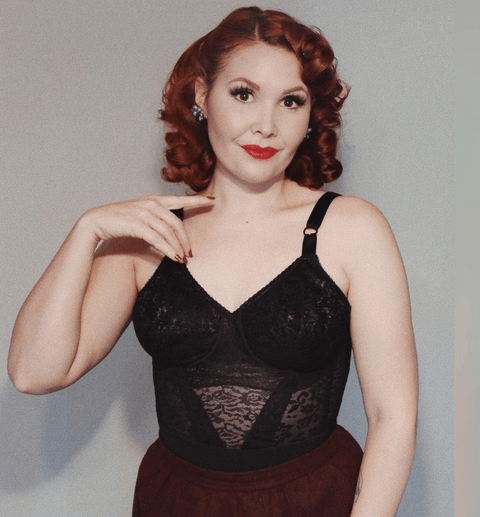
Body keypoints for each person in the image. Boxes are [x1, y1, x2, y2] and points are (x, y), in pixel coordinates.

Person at [8, 6, 418, 517]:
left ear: (311, 114)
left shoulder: (352, 228)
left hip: (315, 500)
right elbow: (33, 373)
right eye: (244, 94)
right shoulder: (147, 238)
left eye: (291, 101)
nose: (265, 125)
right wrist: (86, 230)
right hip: (175, 502)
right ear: (202, 96)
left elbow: (391, 415)